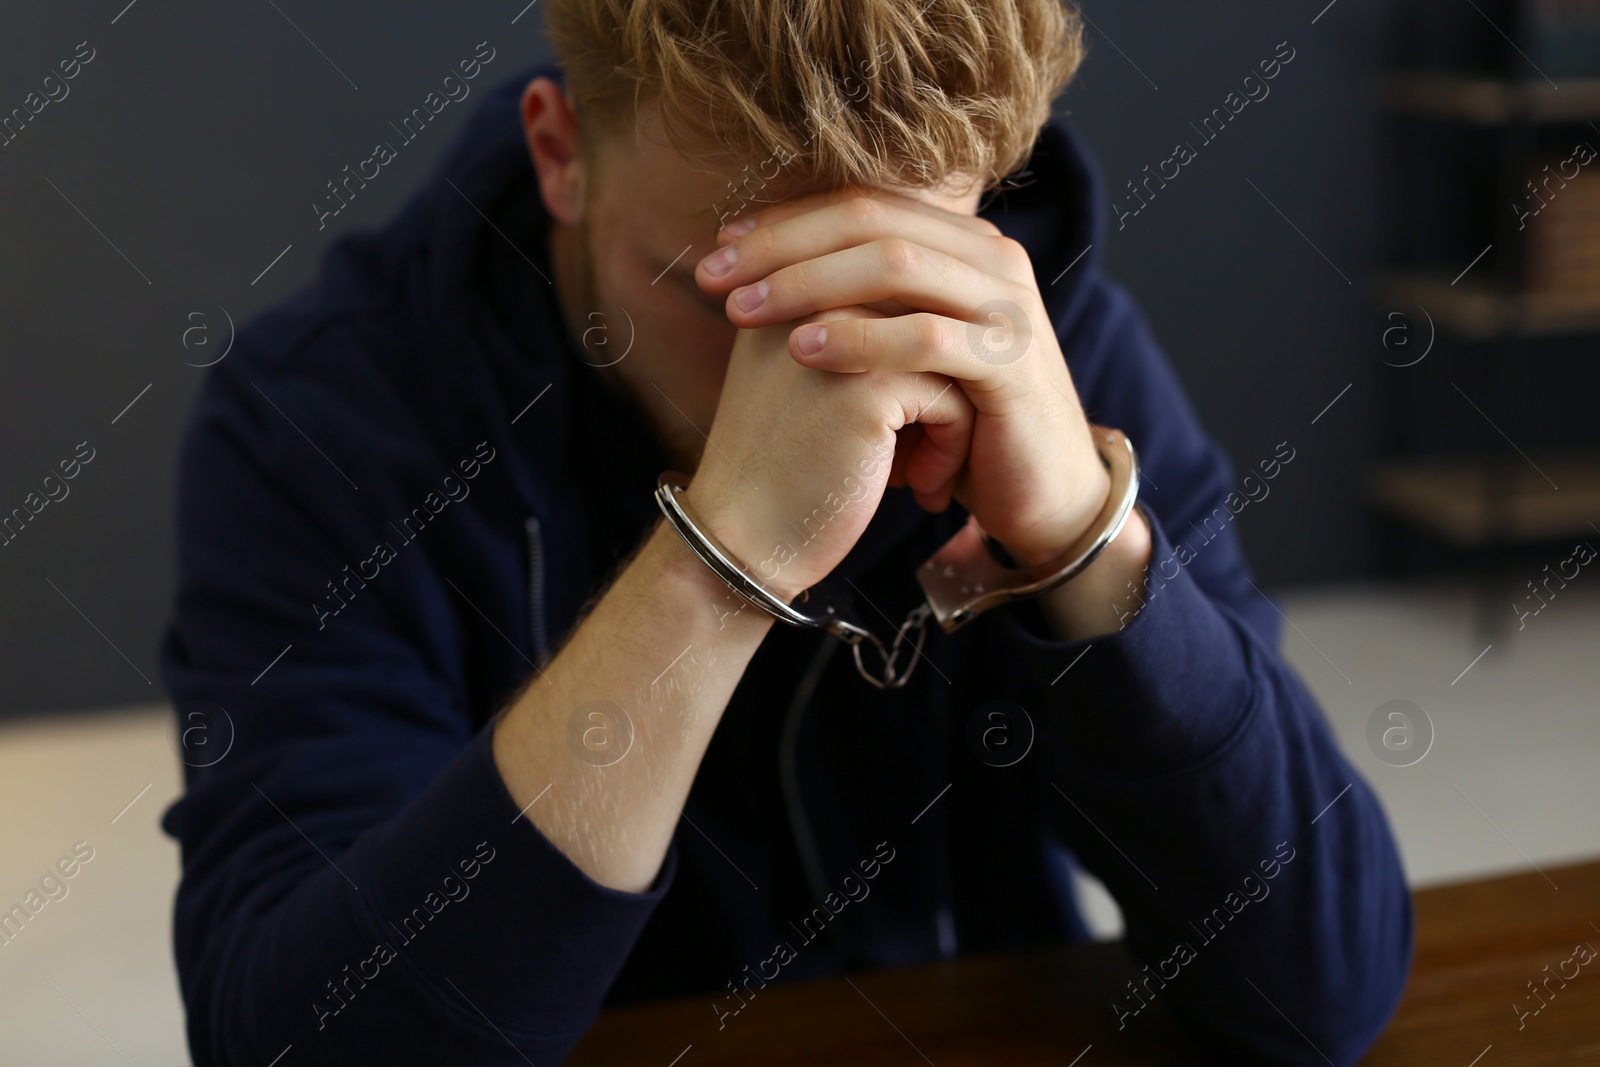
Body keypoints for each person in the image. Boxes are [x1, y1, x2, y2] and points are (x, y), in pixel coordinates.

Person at [160, 1, 1411, 1063]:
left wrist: (1084, 539)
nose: (828, 372)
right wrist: (720, 563)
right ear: (561, 155)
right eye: (734, 286)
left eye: (894, 281)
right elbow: (287, 1032)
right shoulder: (317, 416)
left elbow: (1320, 991)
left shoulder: (1041, 343)